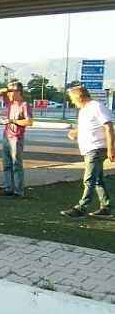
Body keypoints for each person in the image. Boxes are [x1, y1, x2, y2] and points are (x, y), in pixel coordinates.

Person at [60, 86, 115, 218]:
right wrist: (76, 132)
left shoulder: (97, 107)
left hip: (97, 148)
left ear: (79, 97)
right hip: (89, 148)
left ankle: (81, 208)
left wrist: (111, 148)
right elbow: (89, 126)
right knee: (98, 179)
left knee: (89, 178)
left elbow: (108, 127)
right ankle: (106, 208)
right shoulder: (84, 110)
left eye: (73, 99)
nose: (73, 102)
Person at [0, 81, 33, 197]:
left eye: (12, 92)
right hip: (6, 135)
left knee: (16, 165)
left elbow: (29, 121)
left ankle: (18, 191)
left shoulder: (24, 105)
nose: (9, 94)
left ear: (19, 92)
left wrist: (12, 121)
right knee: (6, 164)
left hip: (16, 137)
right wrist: (6, 89)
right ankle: (9, 188)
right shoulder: (10, 103)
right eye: (9, 92)